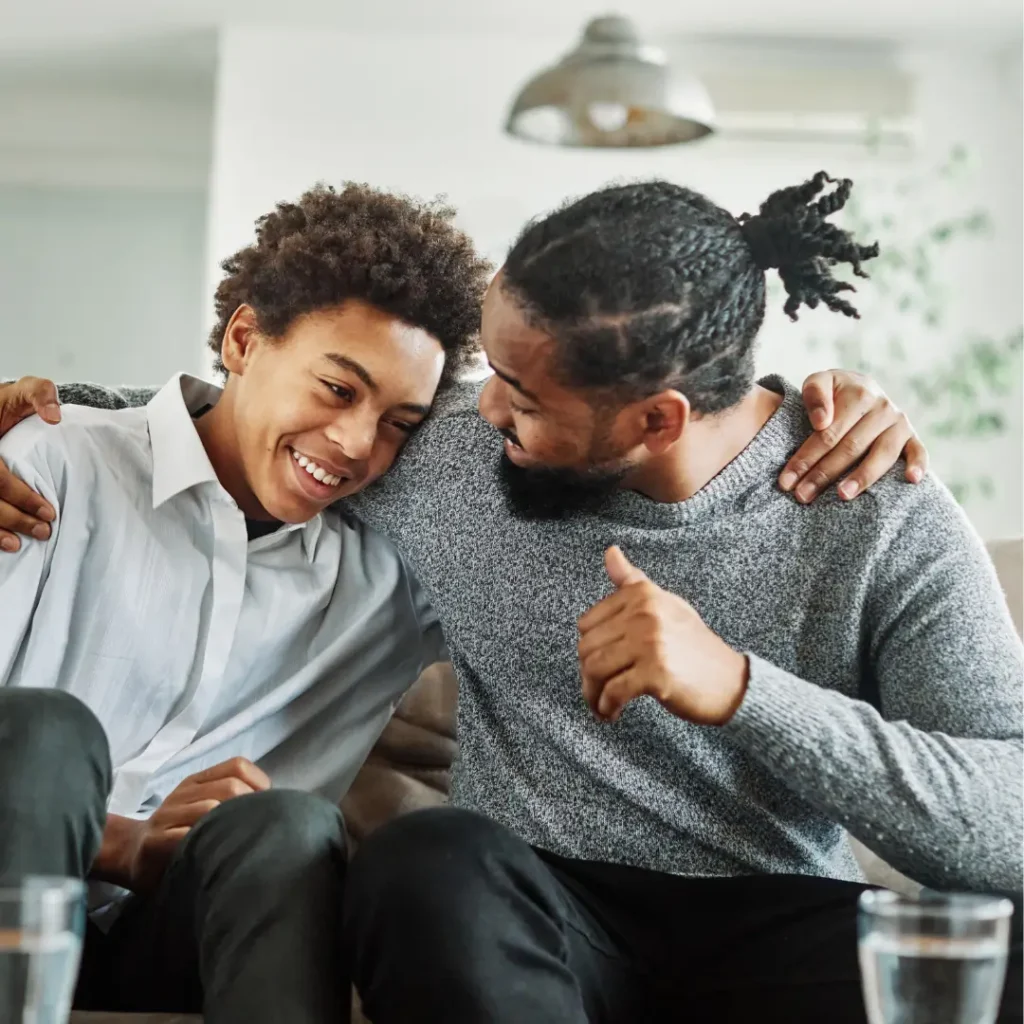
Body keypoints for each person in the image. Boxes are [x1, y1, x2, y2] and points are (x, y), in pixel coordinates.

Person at [0, 174, 1002, 1023]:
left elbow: (1004, 824)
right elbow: (237, 417)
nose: (475, 414)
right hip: (524, 910)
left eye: (519, 396)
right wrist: (44, 411)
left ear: (656, 418)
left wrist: (745, 688)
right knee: (421, 858)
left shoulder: (877, 507)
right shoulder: (451, 461)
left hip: (780, 920)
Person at [0, 182, 490, 1024]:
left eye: (399, 422)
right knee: (47, 731)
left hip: (189, 939)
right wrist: (124, 844)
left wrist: (783, 401)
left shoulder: (398, 580)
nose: (356, 444)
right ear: (244, 337)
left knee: (288, 826)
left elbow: (610, 480)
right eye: (338, 389)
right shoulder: (49, 467)